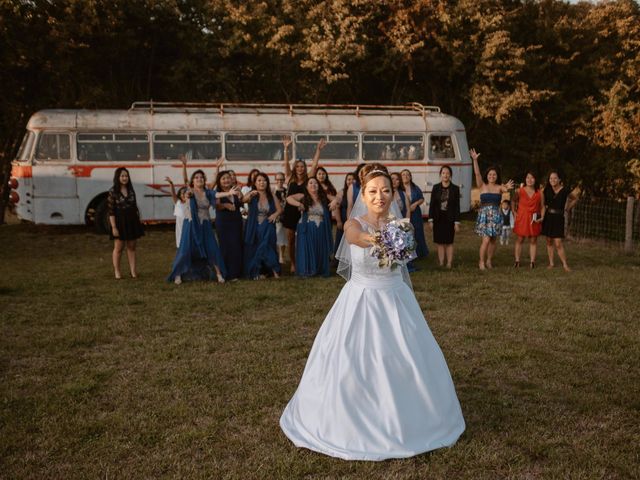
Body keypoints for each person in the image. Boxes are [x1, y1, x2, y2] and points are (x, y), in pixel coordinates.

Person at [280, 163, 465, 460]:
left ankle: (411, 415)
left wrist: (395, 236)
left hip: (395, 299)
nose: (380, 196)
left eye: (385, 191)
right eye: (373, 191)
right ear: (363, 195)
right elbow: (354, 238)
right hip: (362, 298)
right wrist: (377, 239)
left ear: (393, 194)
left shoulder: (401, 226)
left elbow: (403, 260)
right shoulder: (355, 224)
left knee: (406, 356)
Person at [168, 159, 239, 284]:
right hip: (191, 224)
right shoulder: (190, 191)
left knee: (212, 247)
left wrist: (228, 192)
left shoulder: (208, 192)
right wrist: (184, 166)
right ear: (193, 181)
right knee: (186, 249)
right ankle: (178, 274)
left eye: (201, 177)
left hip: (205, 224)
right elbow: (186, 187)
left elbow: (216, 195)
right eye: (196, 177)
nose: (199, 179)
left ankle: (219, 274)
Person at [281, 136, 326, 273]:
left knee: (304, 238)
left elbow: (315, 164)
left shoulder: (309, 178)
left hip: (305, 211)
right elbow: (286, 165)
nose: (300, 168)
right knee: (291, 239)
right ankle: (293, 263)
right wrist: (286, 149)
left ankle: (304, 260)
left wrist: (318, 150)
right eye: (298, 166)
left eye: (302, 166)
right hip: (290, 211)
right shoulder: (290, 177)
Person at [470, 148, 514, 270]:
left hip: (496, 215)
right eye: (490, 174)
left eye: (494, 174)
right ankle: (481, 262)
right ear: (487, 176)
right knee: (486, 239)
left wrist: (508, 187)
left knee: (493, 240)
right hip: (484, 215)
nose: (492, 176)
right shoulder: (482, 185)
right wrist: (475, 160)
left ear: (497, 176)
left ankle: (489, 261)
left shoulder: (499, 187)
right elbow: (477, 174)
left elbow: (506, 188)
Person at [286, 177, 333, 277]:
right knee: (307, 248)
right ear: (306, 187)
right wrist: (299, 204)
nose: (313, 185)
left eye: (315, 183)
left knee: (319, 248)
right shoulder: (302, 196)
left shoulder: (323, 197)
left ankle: (319, 269)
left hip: (320, 227)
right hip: (306, 227)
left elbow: (337, 198)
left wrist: (334, 202)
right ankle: (307, 269)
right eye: (310, 183)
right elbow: (289, 198)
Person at [244, 173, 282, 279]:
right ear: (255, 183)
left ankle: (274, 269)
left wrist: (274, 214)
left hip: (267, 225)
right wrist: (250, 194)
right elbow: (243, 200)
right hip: (253, 226)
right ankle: (256, 271)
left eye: (264, 180)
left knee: (267, 246)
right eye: (259, 181)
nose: (262, 183)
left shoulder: (271, 195)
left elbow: (279, 209)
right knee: (255, 248)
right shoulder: (253, 195)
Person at [108, 167, 144, 279]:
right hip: (119, 223)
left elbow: (134, 207)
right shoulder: (113, 191)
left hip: (132, 221)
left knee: (132, 247)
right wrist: (114, 227)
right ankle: (117, 272)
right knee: (119, 248)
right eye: (122, 176)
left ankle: (133, 272)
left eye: (126, 176)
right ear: (117, 177)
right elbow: (111, 211)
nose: (124, 178)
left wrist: (138, 220)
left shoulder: (131, 190)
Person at [541, 171, 578, 271]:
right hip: (548, 217)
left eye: (555, 178)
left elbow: (575, 198)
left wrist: (568, 208)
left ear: (559, 179)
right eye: (551, 178)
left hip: (559, 218)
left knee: (558, 242)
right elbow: (543, 205)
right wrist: (542, 216)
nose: (553, 180)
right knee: (548, 241)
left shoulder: (565, 190)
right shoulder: (546, 190)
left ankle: (565, 265)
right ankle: (551, 263)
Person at [428, 166, 461, 268]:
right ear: (440, 175)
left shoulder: (455, 189)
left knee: (449, 242)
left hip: (450, 218)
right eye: (443, 173)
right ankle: (441, 262)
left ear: (450, 175)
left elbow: (457, 206)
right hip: (438, 218)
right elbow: (432, 204)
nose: (445, 175)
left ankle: (449, 263)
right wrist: (430, 219)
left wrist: (456, 222)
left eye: (447, 173)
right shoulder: (436, 187)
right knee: (440, 242)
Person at [215, 170, 244, 280]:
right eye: (223, 179)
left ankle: (236, 273)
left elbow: (241, 202)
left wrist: (242, 195)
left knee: (236, 245)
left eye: (228, 178)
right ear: (219, 181)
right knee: (225, 247)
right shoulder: (217, 192)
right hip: (223, 223)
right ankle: (225, 272)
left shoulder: (236, 190)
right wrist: (225, 205)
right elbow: (217, 206)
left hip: (236, 221)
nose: (226, 180)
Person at [513, 172, 545, 268]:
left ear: (535, 180)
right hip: (522, 218)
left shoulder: (540, 193)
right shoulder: (519, 191)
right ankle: (517, 261)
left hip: (534, 218)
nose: (530, 180)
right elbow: (513, 201)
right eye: (527, 178)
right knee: (520, 239)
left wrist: (542, 217)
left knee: (533, 240)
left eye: (532, 178)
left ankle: (532, 262)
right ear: (525, 179)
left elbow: (543, 206)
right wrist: (514, 212)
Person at [401, 169, 429, 258]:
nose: (405, 176)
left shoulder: (415, 188)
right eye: (403, 175)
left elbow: (422, 198)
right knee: (406, 233)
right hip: (403, 214)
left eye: (407, 175)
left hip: (415, 214)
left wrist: (415, 204)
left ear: (410, 177)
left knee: (417, 233)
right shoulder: (399, 189)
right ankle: (407, 254)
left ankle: (420, 253)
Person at [166, 176, 190, 248]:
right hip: (180, 227)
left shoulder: (190, 203)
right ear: (179, 195)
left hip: (188, 226)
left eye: (185, 193)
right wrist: (171, 184)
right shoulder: (178, 202)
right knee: (180, 244)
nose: (183, 194)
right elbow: (173, 193)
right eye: (182, 193)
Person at [334, 172, 355, 254]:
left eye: (353, 179)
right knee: (341, 241)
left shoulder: (357, 192)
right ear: (346, 181)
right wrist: (338, 221)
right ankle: (337, 261)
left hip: (354, 219)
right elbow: (337, 207)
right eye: (349, 179)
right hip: (343, 220)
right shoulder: (341, 192)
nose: (351, 181)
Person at [273, 171, 288, 264]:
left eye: (281, 179)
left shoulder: (287, 191)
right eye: (278, 179)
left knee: (283, 236)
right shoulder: (272, 190)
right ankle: (278, 255)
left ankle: (281, 255)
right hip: (276, 216)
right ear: (275, 180)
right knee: (277, 235)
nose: (280, 181)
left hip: (285, 216)